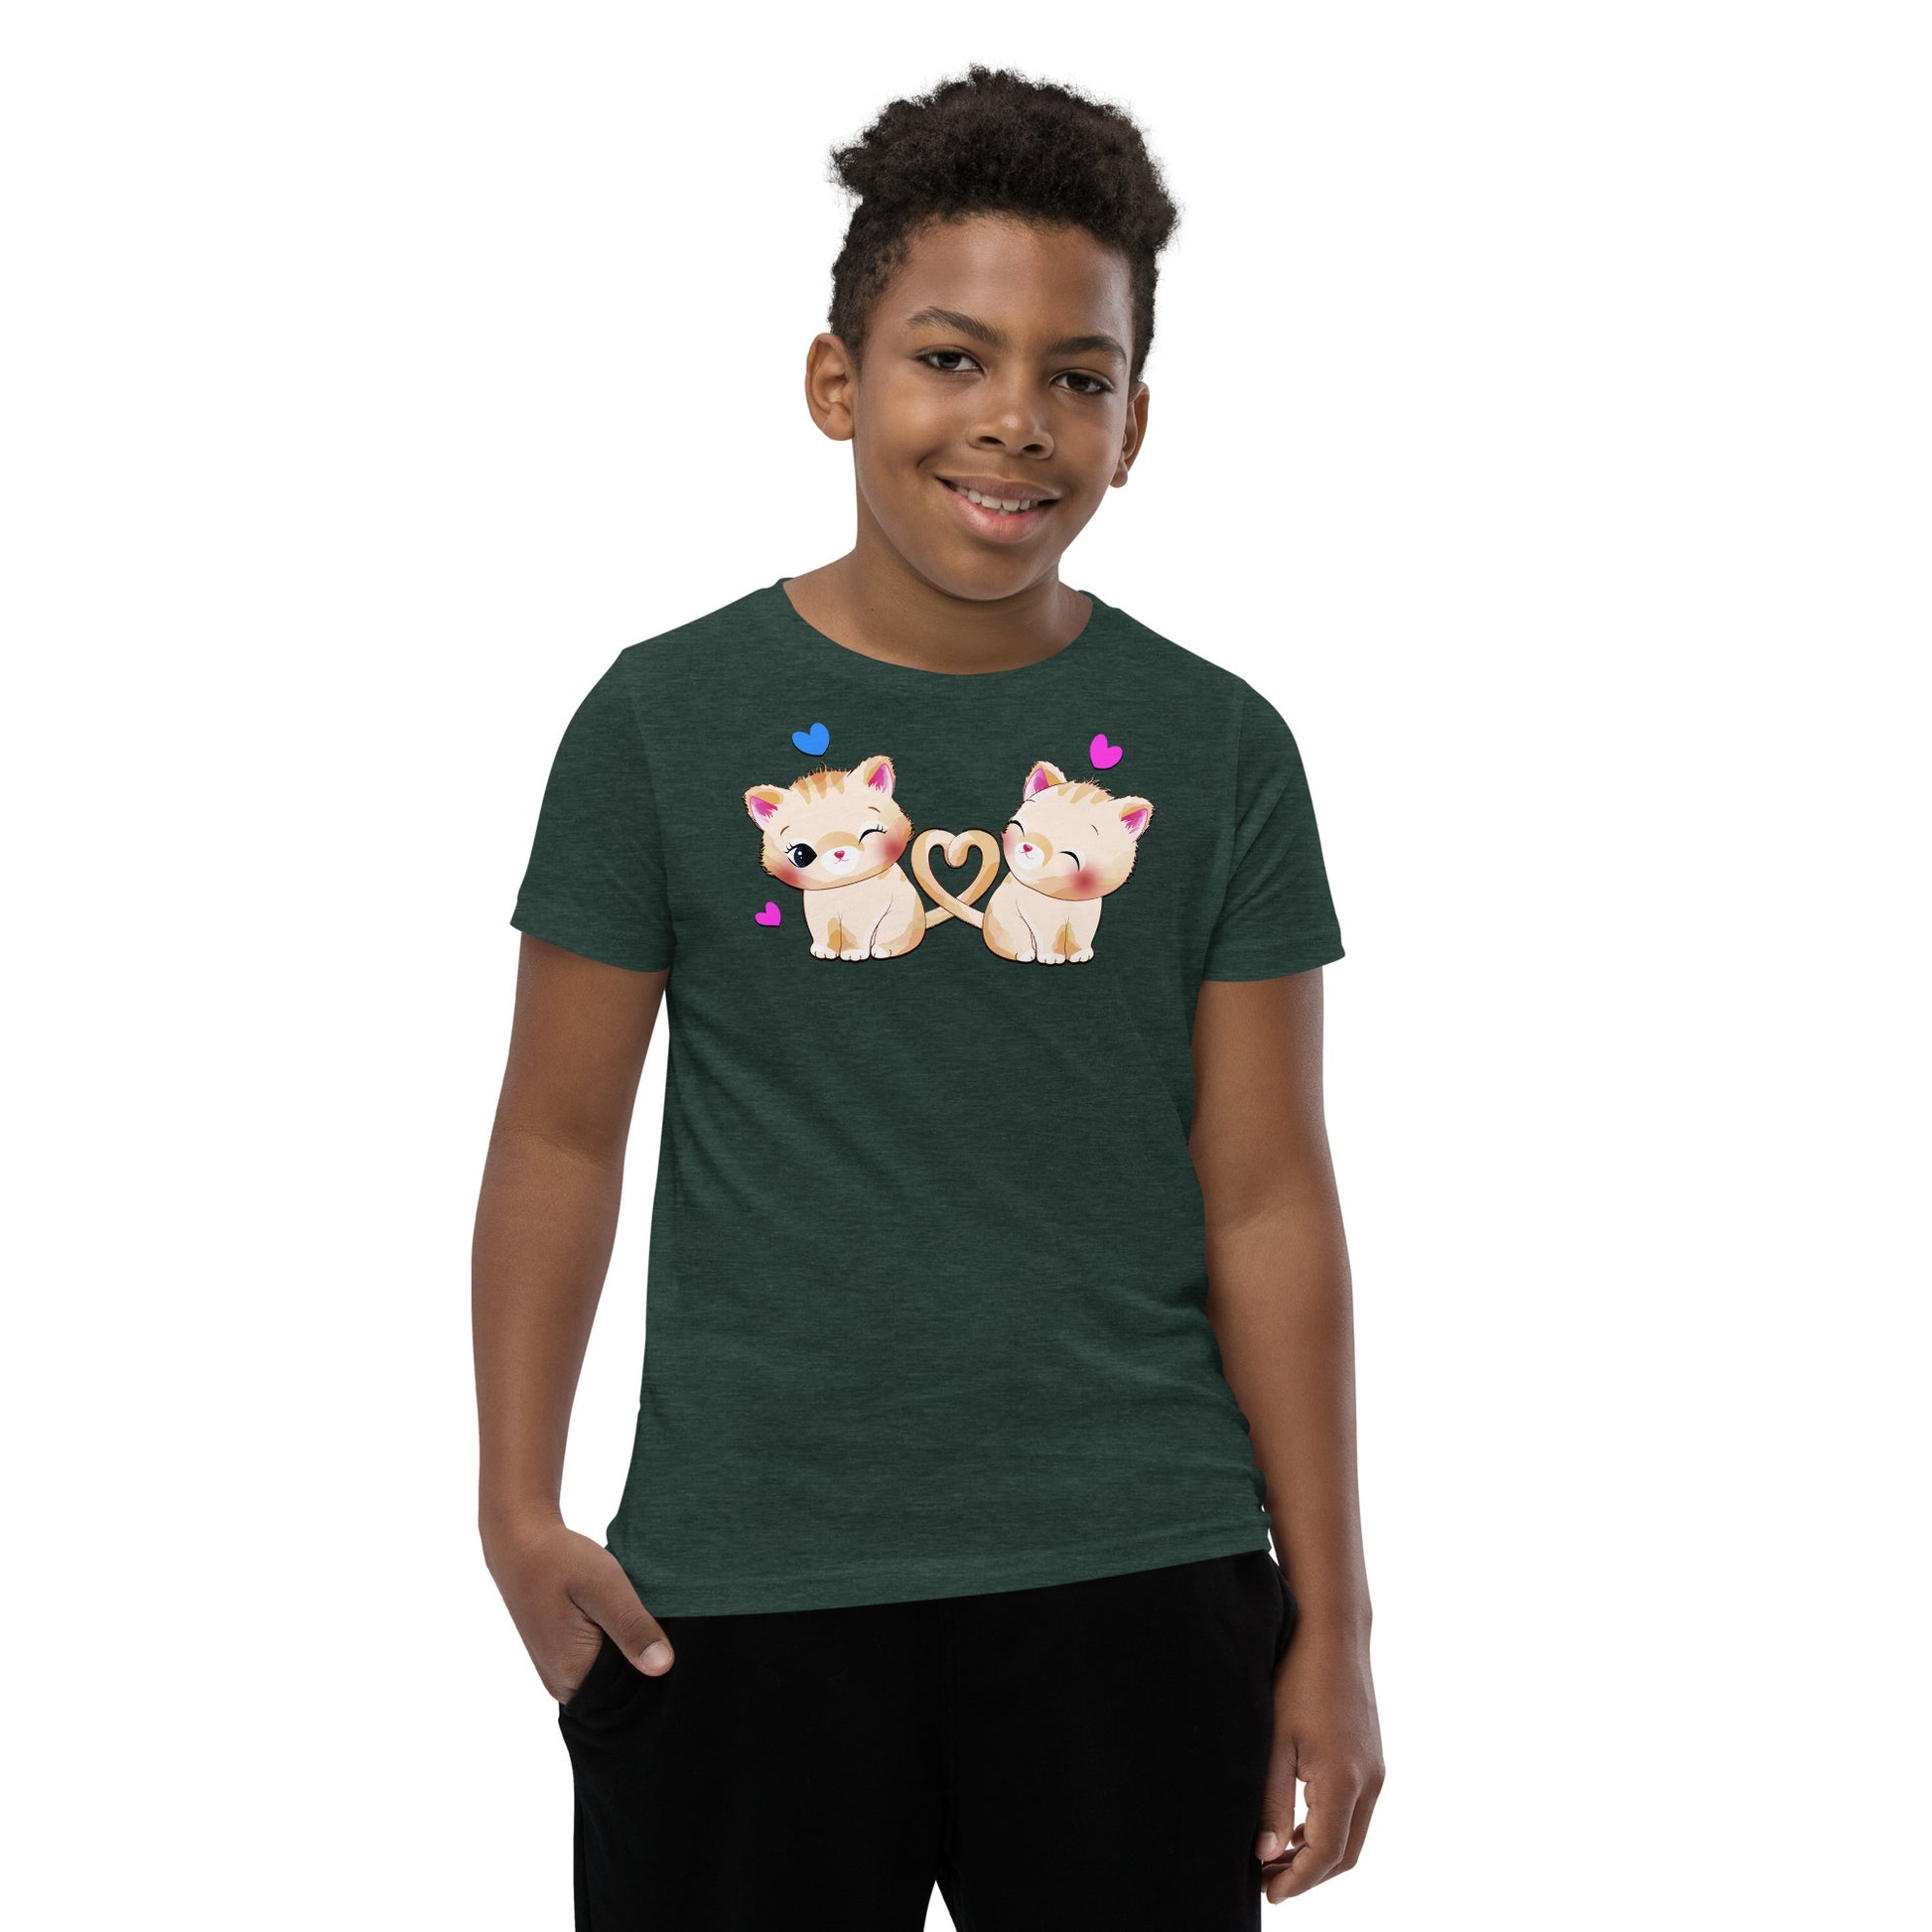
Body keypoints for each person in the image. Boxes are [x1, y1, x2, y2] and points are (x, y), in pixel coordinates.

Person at [472, 62, 1383, 1929]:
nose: (1016, 421)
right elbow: (559, 1135)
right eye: (951, 358)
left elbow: (1267, 1189)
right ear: (838, 382)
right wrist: (515, 1505)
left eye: (1079, 376)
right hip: (738, 1590)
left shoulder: (1219, 750)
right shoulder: (658, 722)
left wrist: (1336, 1614)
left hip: (1138, 1574)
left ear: (1136, 423)